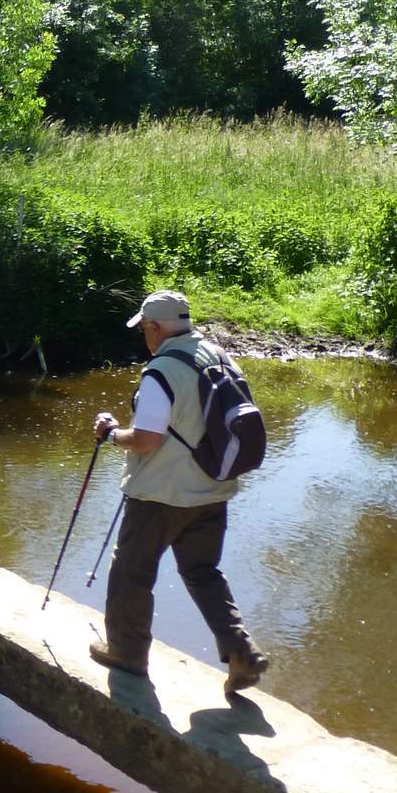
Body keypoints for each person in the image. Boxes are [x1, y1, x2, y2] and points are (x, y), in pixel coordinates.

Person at [90, 290, 271, 696]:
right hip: (213, 489)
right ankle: (242, 652)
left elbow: (148, 438)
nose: (144, 338)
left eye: (145, 330)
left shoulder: (162, 370)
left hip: (161, 496)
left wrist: (112, 433)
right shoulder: (219, 356)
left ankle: (126, 652)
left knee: (131, 573)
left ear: (155, 328)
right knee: (203, 572)